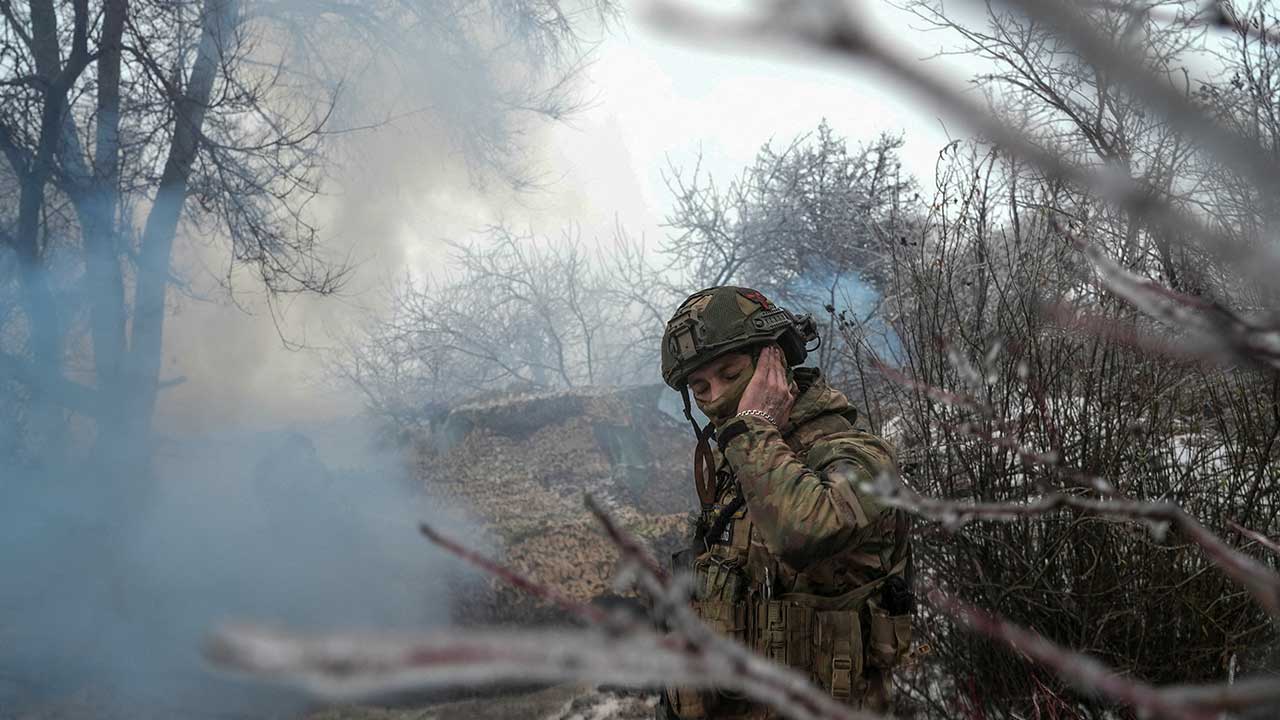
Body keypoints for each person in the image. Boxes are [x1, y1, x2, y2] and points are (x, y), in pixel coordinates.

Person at [657, 286, 914, 719]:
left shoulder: (853, 450)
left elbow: (807, 530)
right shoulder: (739, 458)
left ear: (773, 362)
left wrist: (754, 429)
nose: (715, 396)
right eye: (699, 387)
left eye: (730, 372)